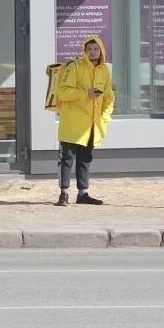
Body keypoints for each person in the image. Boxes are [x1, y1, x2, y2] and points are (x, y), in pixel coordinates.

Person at [54, 36, 114, 206]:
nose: (93, 52)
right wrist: (85, 93)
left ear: (101, 50)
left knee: (85, 159)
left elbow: (109, 97)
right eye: (90, 49)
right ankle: (63, 193)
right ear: (84, 51)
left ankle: (83, 193)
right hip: (72, 123)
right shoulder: (75, 66)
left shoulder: (104, 70)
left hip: (92, 125)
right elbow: (63, 92)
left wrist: (104, 117)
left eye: (96, 49)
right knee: (67, 158)